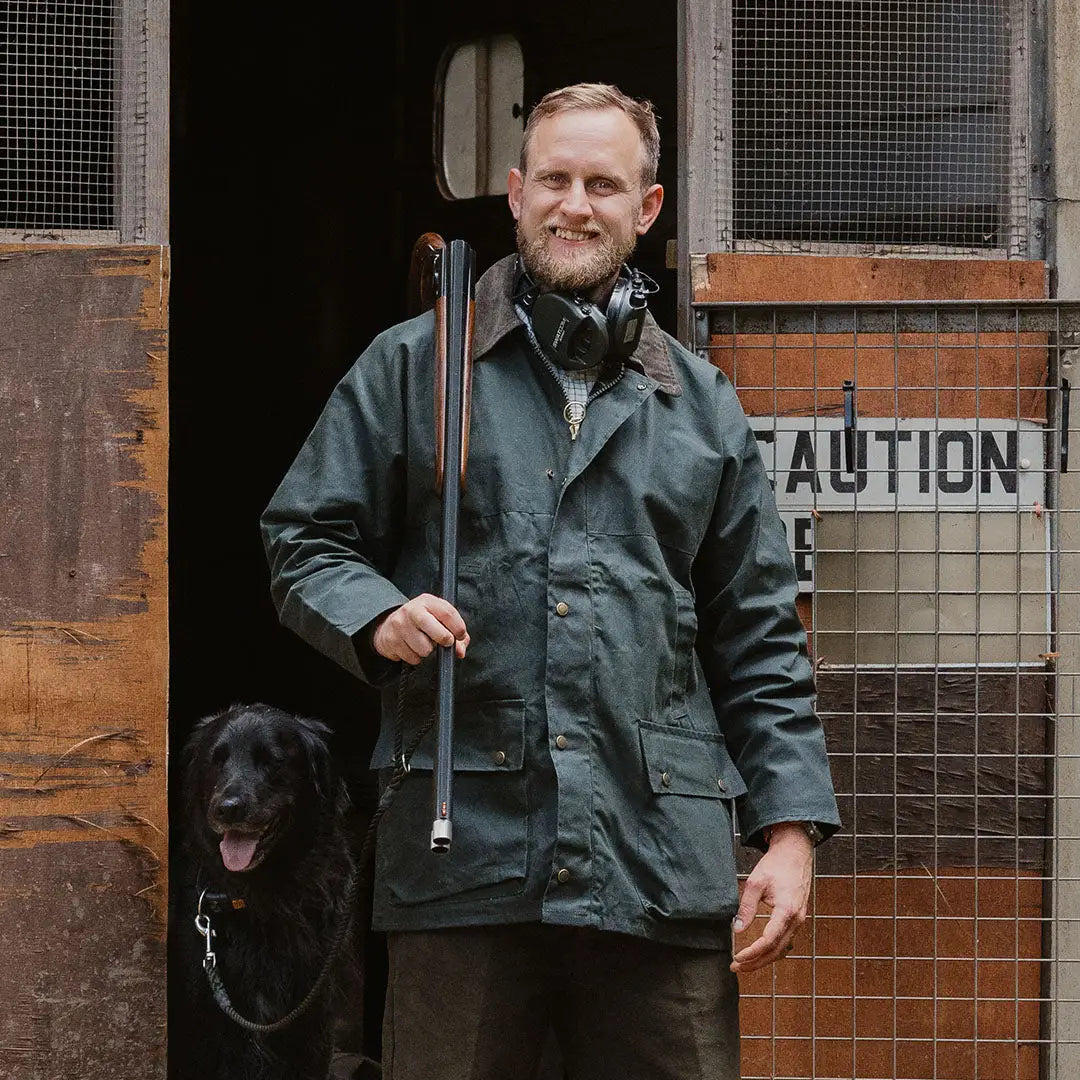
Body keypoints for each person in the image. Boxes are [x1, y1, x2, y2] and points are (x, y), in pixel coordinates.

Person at [261, 82, 840, 1080]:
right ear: (519, 194)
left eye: (604, 184)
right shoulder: (412, 370)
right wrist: (379, 613)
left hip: (657, 856)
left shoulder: (701, 408)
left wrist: (790, 832)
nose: (578, 204)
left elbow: (759, 634)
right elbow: (302, 539)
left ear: (645, 209)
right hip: (465, 858)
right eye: (558, 180)